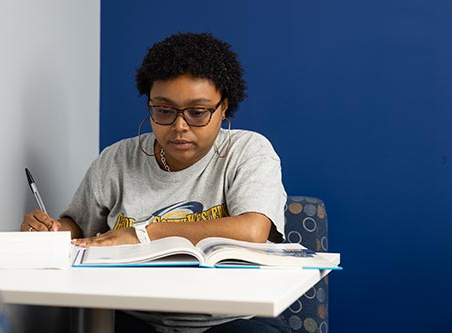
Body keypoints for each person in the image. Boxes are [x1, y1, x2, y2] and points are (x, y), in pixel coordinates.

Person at [21, 32, 289, 333]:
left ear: (223, 107)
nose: (179, 126)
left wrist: (144, 233)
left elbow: (252, 230)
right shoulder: (117, 159)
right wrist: (51, 231)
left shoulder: (248, 151)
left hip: (231, 320)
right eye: (163, 110)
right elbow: (79, 228)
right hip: (136, 317)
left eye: (197, 112)